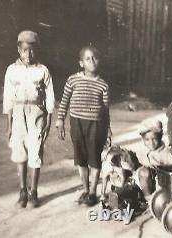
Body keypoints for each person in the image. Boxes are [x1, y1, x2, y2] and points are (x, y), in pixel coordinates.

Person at [3, 30, 55, 208]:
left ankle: (34, 192)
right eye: (25, 50)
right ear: (19, 50)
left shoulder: (42, 70)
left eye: (32, 50)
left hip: (36, 114)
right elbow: (8, 97)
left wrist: (48, 118)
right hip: (18, 113)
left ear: (37, 50)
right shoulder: (12, 70)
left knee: (35, 150)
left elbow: (49, 95)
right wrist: (9, 125)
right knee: (20, 151)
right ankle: (22, 190)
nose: (28, 54)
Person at [56, 45, 112, 206]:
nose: (92, 61)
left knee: (94, 158)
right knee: (81, 158)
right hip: (77, 122)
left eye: (95, 58)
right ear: (81, 63)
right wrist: (60, 120)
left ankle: (93, 192)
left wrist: (107, 128)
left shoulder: (103, 85)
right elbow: (64, 101)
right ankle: (86, 190)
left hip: (96, 125)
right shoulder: (73, 80)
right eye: (88, 59)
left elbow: (106, 110)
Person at [135, 120, 172, 197]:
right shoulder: (142, 152)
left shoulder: (166, 152)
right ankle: (148, 198)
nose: (151, 142)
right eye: (147, 140)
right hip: (147, 181)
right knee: (143, 172)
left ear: (160, 137)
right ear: (143, 140)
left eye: (154, 139)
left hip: (163, 182)